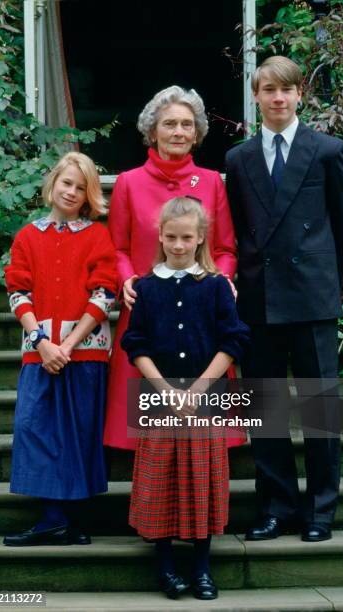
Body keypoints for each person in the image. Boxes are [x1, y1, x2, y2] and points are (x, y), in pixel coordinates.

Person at [225, 56, 343, 543]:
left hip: (312, 301)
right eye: (268, 90)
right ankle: (277, 508)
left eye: (286, 90)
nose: (277, 98)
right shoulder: (238, 159)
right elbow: (239, 231)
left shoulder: (327, 150)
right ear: (256, 96)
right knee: (265, 410)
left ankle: (320, 512)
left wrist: (327, 286)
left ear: (301, 94)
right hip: (258, 300)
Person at [121, 197, 249, 599]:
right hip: (158, 396)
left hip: (206, 395)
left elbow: (234, 339)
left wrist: (197, 388)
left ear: (200, 239)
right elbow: (135, 342)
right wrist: (164, 390)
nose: (178, 245)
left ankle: (202, 568)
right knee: (160, 481)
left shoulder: (214, 287)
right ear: (160, 235)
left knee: (201, 482)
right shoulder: (146, 287)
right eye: (171, 237)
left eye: (186, 238)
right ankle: (165, 567)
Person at [103, 85, 239, 451]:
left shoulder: (211, 181)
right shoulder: (129, 183)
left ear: (196, 134)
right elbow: (116, 246)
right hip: (147, 306)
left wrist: (221, 278)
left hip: (200, 309)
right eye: (169, 124)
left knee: (202, 426)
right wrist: (125, 277)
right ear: (153, 131)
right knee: (149, 429)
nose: (178, 131)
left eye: (186, 124)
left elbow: (226, 247)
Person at [3, 152, 117, 546]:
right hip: (39, 352)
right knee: (32, 426)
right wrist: (41, 341)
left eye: (81, 186)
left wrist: (66, 345)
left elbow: (105, 292)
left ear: (89, 196)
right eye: (67, 182)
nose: (72, 191)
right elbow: (18, 289)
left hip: (84, 354)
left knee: (77, 431)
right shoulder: (27, 236)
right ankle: (52, 518)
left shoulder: (97, 235)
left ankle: (68, 520)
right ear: (53, 184)